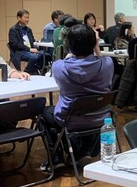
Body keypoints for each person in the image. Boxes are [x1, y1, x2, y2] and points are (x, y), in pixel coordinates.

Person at [41, 24, 114, 170]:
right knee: (84, 111)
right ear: (94, 43)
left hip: (70, 120)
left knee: (44, 114)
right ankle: (82, 152)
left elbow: (65, 61)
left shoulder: (59, 67)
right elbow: (101, 59)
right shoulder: (108, 64)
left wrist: (70, 52)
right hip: (99, 118)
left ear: (68, 45)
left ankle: (56, 158)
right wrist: (97, 47)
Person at [8, 10, 47, 75]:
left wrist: (37, 44)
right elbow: (14, 44)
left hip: (30, 50)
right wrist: (29, 49)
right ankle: (27, 71)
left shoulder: (28, 29)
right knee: (33, 57)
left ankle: (36, 69)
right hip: (19, 51)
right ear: (19, 18)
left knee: (45, 55)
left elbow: (32, 41)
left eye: (28, 18)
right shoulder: (13, 30)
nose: (27, 19)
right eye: (25, 17)